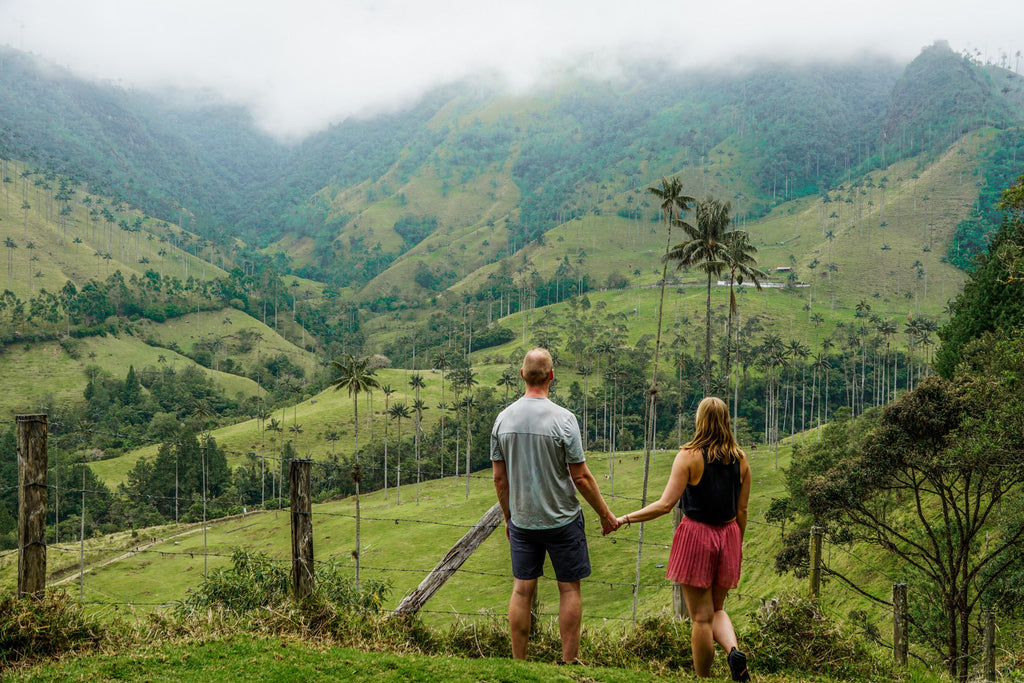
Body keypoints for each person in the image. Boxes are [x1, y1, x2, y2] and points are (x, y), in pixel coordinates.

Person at [491, 347, 618, 664]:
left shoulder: (503, 420)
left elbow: (499, 479)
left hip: (522, 520)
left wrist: (509, 516)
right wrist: (605, 515)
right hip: (562, 520)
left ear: (522, 375)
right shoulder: (564, 420)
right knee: (569, 590)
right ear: (551, 376)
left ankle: (519, 662)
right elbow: (582, 478)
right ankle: (568, 662)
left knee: (522, 590)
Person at [615, 396, 751, 682]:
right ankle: (733, 650)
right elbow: (742, 509)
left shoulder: (689, 456)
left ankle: (703, 677)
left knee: (701, 618)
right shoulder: (740, 459)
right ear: (727, 421)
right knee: (717, 609)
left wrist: (626, 518)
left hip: (697, 537)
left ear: (699, 421)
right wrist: (735, 546)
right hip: (728, 536)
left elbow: (665, 505)